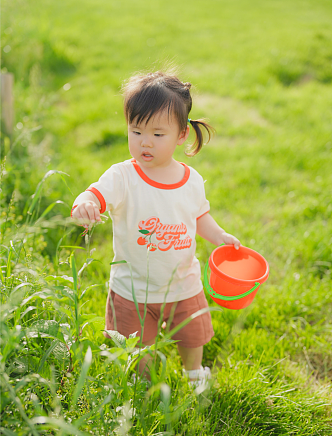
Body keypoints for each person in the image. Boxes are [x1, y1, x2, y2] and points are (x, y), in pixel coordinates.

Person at [71, 70, 240, 384]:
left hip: (182, 282)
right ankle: (141, 386)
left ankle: (193, 374)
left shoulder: (190, 181)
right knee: (137, 348)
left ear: (181, 136)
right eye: (136, 132)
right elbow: (96, 192)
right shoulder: (122, 176)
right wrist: (86, 202)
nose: (144, 142)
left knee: (193, 336)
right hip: (132, 288)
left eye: (157, 135)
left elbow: (199, 216)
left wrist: (218, 236)